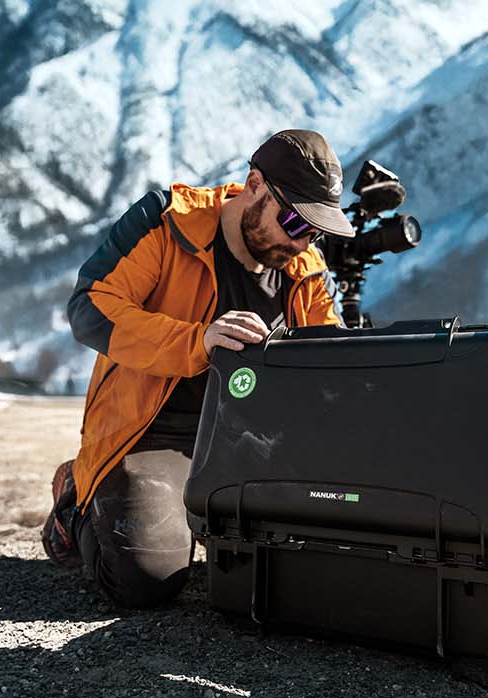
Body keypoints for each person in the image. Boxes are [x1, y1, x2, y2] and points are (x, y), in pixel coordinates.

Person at [41, 128, 354, 608]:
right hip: (151, 435)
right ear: (254, 185)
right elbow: (89, 308)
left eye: (315, 230)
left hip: (252, 443)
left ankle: (203, 520)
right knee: (147, 580)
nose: (303, 242)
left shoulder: (306, 267)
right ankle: (78, 503)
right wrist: (197, 341)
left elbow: (328, 362)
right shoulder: (166, 222)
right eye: (294, 222)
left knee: (311, 568)